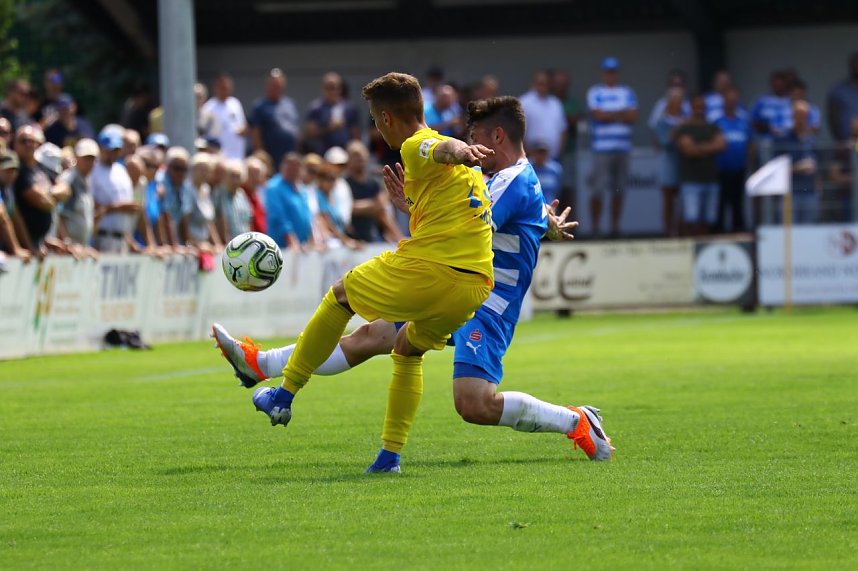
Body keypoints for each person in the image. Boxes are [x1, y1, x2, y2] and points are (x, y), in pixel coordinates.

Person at [213, 96, 613, 471]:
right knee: (371, 336)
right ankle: (259, 365)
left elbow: (473, 223)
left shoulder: (511, 180)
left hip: (487, 306)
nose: (473, 150)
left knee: (474, 405)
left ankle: (575, 420)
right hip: (455, 291)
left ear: (497, 137)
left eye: (475, 140)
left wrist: (419, 205)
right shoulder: (511, 179)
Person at [242, 72, 495, 475]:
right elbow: (450, 211)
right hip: (474, 285)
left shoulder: (416, 145)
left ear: (388, 119)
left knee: (341, 296)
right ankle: (389, 458)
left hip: (432, 269)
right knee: (407, 350)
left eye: (376, 122)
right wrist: (411, 206)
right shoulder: (456, 173)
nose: (377, 129)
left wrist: (460, 148)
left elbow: (439, 148)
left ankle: (284, 394)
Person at [587, 57, 638, 237]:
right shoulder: (595, 92)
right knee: (598, 189)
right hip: (602, 149)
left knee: (619, 189)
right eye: (608, 72)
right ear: (603, 73)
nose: (611, 75)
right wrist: (620, 113)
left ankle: (615, 228)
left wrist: (610, 114)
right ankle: (595, 228)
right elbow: (598, 115)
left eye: (613, 71)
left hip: (622, 148)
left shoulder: (627, 92)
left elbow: (633, 116)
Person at [675, 94, 726, 236]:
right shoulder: (685, 127)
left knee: (708, 220)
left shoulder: (712, 126)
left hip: (710, 179)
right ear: (690, 107)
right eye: (696, 106)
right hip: (691, 179)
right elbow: (688, 150)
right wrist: (709, 147)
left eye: (702, 106)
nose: (699, 109)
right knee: (690, 219)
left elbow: (721, 145)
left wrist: (698, 147)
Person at [13, 125, 68, 252]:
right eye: (23, 141)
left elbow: (65, 189)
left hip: (39, 240)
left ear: (38, 144)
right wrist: (52, 197)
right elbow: (40, 201)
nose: (28, 144)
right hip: (23, 242)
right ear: (15, 144)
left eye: (32, 141)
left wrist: (46, 194)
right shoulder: (17, 170)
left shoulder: (40, 168)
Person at [344, 140, 403, 243]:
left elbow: (382, 204)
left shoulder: (373, 183)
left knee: (383, 212)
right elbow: (348, 207)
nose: (359, 159)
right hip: (351, 235)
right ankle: (399, 238)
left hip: (372, 235)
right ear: (349, 159)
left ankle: (399, 239)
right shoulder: (345, 183)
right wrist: (372, 206)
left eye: (361, 156)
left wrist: (365, 206)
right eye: (355, 156)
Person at [774, 101, 820, 224]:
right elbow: (777, 168)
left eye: (804, 116)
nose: (802, 119)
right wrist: (798, 168)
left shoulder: (811, 140)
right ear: (792, 116)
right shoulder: (783, 139)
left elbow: (817, 165)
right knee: (789, 233)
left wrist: (818, 188)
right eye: (799, 115)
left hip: (810, 192)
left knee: (808, 231)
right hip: (790, 194)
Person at [714, 87, 752, 233]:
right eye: (729, 100)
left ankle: (739, 229)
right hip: (721, 168)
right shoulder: (716, 120)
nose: (732, 103)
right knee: (721, 201)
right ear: (724, 101)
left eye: (734, 100)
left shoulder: (743, 119)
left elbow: (750, 142)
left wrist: (748, 161)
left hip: (739, 167)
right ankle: (718, 231)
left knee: (738, 201)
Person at [248, 68, 300, 167]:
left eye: (279, 85)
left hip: (289, 158)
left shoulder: (291, 104)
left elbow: (295, 130)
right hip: (270, 160)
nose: (277, 88)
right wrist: (262, 157)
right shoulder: (259, 106)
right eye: (274, 85)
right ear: (267, 86)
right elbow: (255, 134)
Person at [265, 152, 315, 251]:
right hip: (283, 248)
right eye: (290, 165)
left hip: (302, 247)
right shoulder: (274, 187)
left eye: (297, 166)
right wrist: (291, 241)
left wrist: (312, 241)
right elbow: (278, 218)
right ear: (282, 166)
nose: (294, 170)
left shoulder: (302, 188)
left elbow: (307, 217)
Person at [654, 87, 686, 237]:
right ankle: (667, 231)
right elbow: (663, 141)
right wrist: (677, 130)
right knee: (668, 198)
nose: (678, 104)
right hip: (668, 162)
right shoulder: (662, 121)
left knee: (682, 200)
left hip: (684, 163)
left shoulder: (686, 119)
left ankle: (680, 231)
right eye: (675, 101)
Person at [303, 72, 361, 156]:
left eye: (334, 87)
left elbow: (356, 135)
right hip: (322, 154)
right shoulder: (315, 108)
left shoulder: (349, 109)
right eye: (328, 88)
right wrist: (329, 128)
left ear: (340, 88)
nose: (331, 91)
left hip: (345, 154)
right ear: (322, 88)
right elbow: (310, 134)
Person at [56, 138, 98, 247]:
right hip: (67, 251)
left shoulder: (87, 181)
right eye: (86, 158)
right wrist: (67, 244)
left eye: (92, 159)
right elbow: (59, 216)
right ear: (76, 158)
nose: (89, 163)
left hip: (80, 247)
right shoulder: (69, 180)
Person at [199, 73, 247, 160]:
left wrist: (243, 130)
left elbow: (243, 125)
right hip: (218, 157)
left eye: (227, 87)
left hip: (237, 156)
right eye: (222, 87)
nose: (225, 89)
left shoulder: (235, 103)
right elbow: (202, 135)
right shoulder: (208, 108)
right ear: (215, 88)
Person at [520, 70, 567, 159]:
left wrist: (559, 151)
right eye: (541, 83)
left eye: (546, 83)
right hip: (530, 157)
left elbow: (562, 129)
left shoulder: (555, 103)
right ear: (534, 83)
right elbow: (519, 130)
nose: (543, 86)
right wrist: (526, 152)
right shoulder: (525, 102)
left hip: (553, 157)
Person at [0, 150, 31, 261]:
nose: (11, 174)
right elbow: (2, 216)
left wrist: (29, 247)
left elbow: (16, 218)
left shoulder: (8, 189)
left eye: (14, 170)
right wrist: (15, 249)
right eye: (7, 170)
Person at [215, 159, 253, 241]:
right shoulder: (219, 194)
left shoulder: (242, 195)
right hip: (228, 244)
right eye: (232, 176)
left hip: (243, 242)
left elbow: (248, 220)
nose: (235, 180)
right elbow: (218, 221)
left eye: (238, 176)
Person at [827, 52, 858, 144]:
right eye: (855, 64)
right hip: (846, 143)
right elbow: (832, 117)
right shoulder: (839, 90)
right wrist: (839, 141)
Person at [242, 156, 268, 233]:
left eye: (258, 174)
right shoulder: (240, 193)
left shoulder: (259, 194)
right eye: (251, 174)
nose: (255, 178)